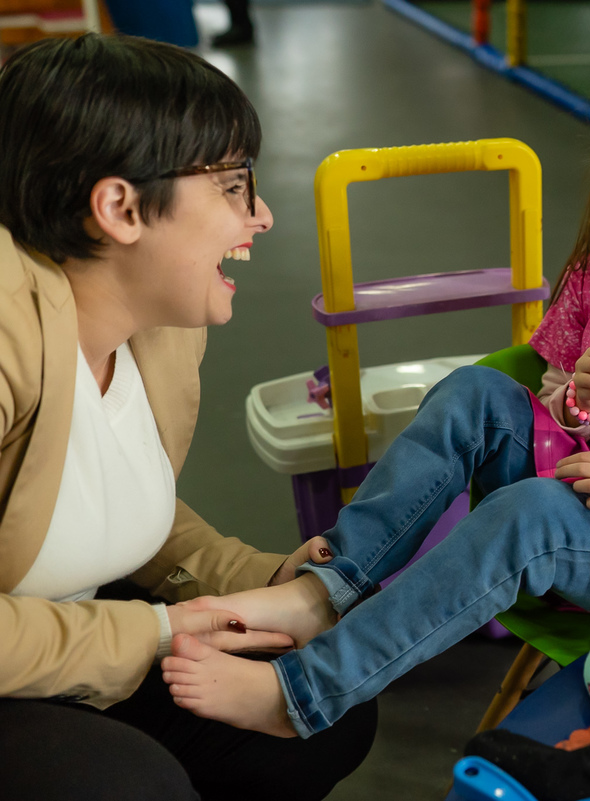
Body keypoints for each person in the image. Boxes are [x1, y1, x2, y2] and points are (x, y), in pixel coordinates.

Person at [161, 47, 590, 744]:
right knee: (476, 390)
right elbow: (557, 398)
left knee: (528, 513)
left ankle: (305, 692)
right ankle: (324, 589)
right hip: (583, 488)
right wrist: (576, 400)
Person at [0, 34, 375, 800]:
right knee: (128, 785)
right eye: (233, 185)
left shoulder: (156, 323)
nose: (261, 213)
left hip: (67, 632)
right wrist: (165, 631)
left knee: (318, 704)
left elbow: (97, 499)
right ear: (120, 208)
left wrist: (262, 579)